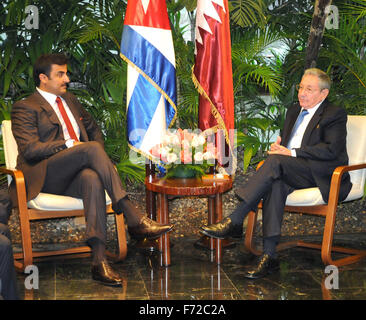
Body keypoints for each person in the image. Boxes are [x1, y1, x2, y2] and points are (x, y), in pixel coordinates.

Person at [11, 53, 173, 287]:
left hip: (75, 175)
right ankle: (133, 217)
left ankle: (99, 262)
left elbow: (94, 129)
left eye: (66, 73)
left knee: (92, 178)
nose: (66, 78)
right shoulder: (25, 107)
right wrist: (69, 145)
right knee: (90, 150)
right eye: (60, 74)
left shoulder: (71, 100)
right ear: (43, 78)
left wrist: (91, 155)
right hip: (45, 175)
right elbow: (30, 150)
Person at [200, 68, 352, 279]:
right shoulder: (293, 111)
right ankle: (269, 255)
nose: (302, 93)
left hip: (322, 173)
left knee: (275, 165)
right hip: (290, 168)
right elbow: (286, 148)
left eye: (309, 89)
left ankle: (235, 219)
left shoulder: (333, 114)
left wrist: (291, 152)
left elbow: (332, 150)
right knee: (275, 181)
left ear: (323, 94)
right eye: (300, 87)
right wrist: (280, 148)